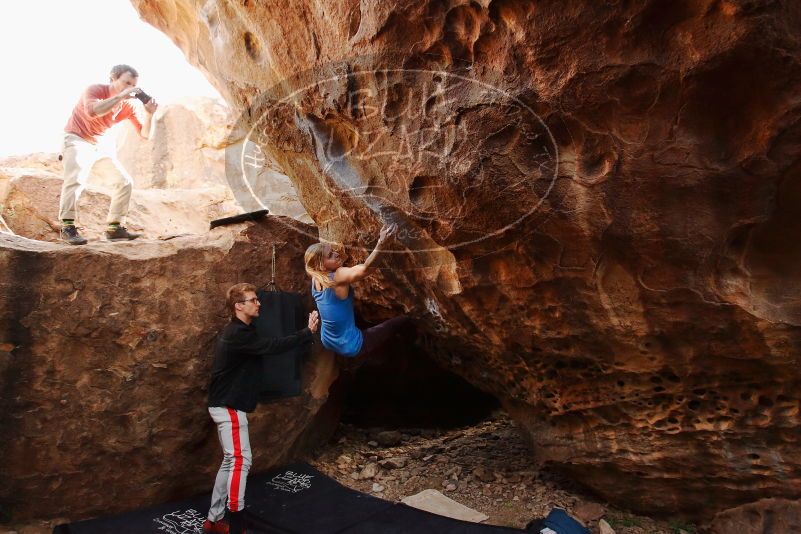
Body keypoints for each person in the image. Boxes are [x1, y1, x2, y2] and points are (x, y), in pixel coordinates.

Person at [205, 283, 319, 534]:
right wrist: (306, 333)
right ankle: (237, 524)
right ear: (239, 306)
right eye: (253, 300)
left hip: (226, 405)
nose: (258, 303)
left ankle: (213, 521)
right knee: (241, 462)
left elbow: (267, 347)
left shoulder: (242, 331)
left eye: (257, 299)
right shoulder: (238, 334)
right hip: (229, 407)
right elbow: (272, 347)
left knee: (230, 462)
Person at [58, 64, 158, 245]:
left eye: (133, 84)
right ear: (113, 78)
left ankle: (115, 228)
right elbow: (93, 111)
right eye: (126, 82)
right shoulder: (95, 90)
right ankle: (67, 227)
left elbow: (144, 135)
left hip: (98, 145)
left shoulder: (127, 106)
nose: (130, 88)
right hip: (76, 138)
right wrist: (120, 96)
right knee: (76, 178)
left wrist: (150, 115)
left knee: (124, 182)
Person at [305, 224, 410, 358]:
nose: (336, 254)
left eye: (333, 250)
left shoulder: (315, 278)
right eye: (331, 255)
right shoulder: (337, 277)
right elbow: (366, 269)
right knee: (403, 320)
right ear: (321, 265)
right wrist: (381, 243)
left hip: (328, 340)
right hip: (352, 345)